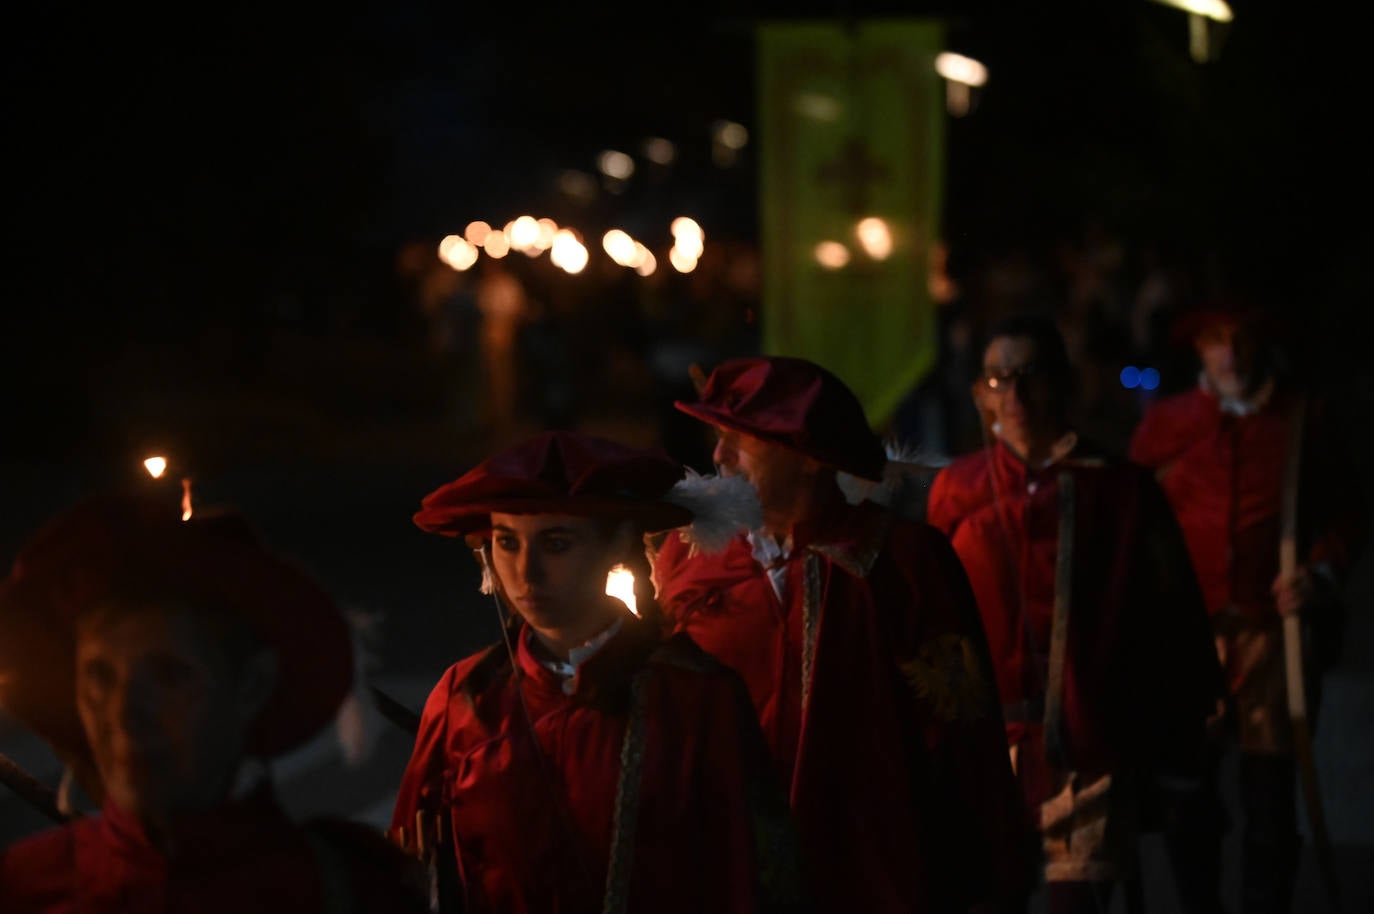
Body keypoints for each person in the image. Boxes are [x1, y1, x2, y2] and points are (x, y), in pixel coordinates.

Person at [652, 354, 1031, 914]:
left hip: (870, 877)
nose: (718, 458)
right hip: (730, 875)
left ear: (808, 456)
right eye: (717, 437)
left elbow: (960, 734)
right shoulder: (687, 558)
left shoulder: (902, 562)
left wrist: (982, 879)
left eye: (741, 440)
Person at [391, 429, 806, 914]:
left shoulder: (696, 697)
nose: (527, 573)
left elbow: (749, 878)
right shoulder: (465, 698)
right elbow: (410, 876)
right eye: (507, 543)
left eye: (557, 543)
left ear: (618, 544)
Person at [924, 312, 1225, 914]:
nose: (1014, 396)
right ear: (982, 393)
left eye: (1029, 376)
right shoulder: (958, 490)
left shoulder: (1119, 490)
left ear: (1062, 383)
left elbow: (1174, 620)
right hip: (986, 756)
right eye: (997, 379)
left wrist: (1176, 741)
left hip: (1090, 756)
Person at [0, 492, 428, 914]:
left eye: (169, 675)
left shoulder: (353, 892)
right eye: (99, 676)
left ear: (250, 686)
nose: (123, 715)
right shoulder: (27, 888)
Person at [1128, 295, 1368, 914]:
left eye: (1239, 339)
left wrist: (1318, 572)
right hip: (1187, 638)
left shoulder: (1300, 420)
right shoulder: (1168, 424)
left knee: (1270, 797)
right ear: (1199, 349)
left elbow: (1345, 514)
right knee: (1189, 798)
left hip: (1271, 636)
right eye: (1215, 340)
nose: (1229, 353)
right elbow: (1130, 516)